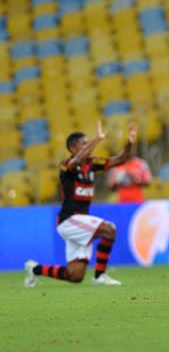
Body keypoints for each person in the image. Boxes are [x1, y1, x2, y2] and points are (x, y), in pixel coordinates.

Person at [24, 120, 137, 288]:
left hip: (81, 223)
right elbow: (76, 161)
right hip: (69, 220)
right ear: (73, 148)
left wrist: (130, 142)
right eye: (84, 144)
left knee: (75, 276)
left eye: (88, 143)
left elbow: (121, 159)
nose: (88, 147)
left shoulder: (91, 164)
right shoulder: (66, 165)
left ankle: (35, 270)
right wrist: (97, 139)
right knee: (109, 229)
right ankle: (100, 276)